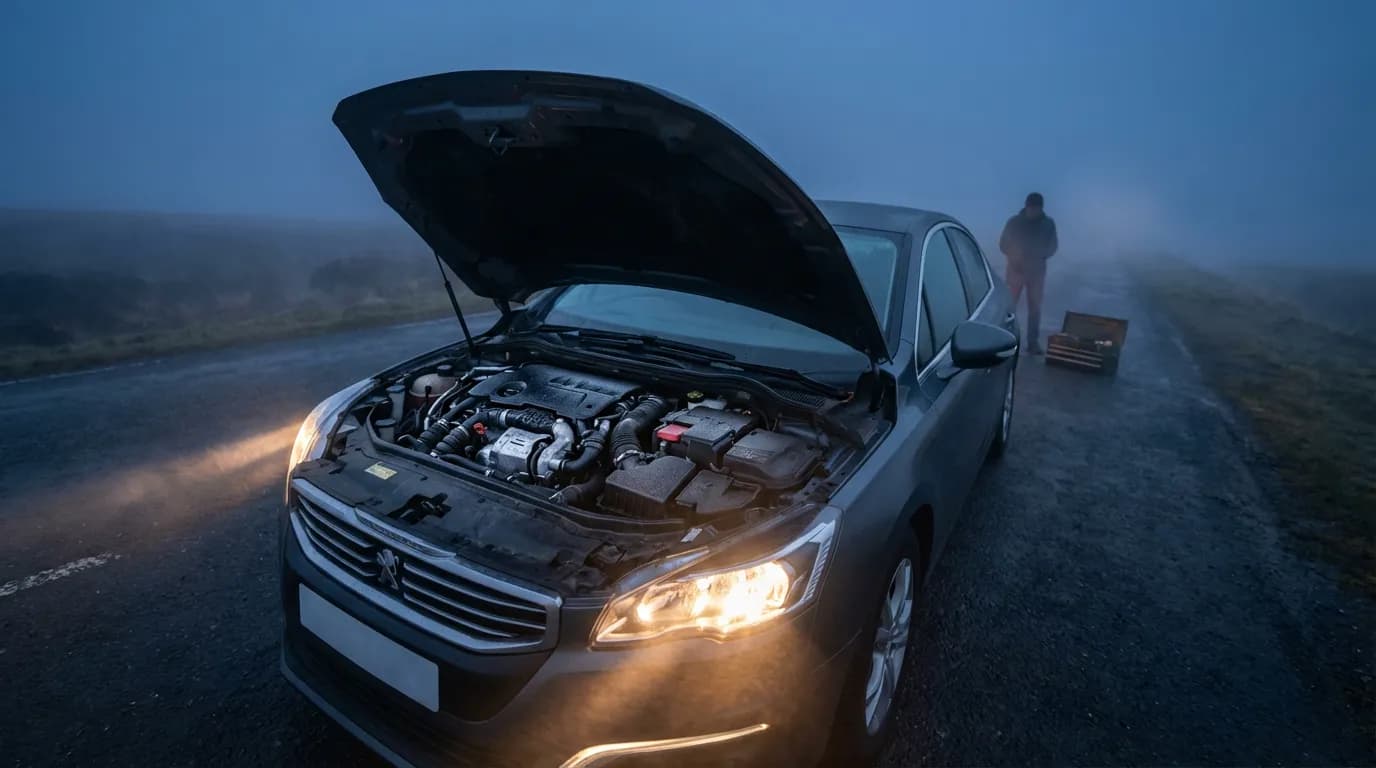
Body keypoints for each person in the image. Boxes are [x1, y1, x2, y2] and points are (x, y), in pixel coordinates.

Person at [999, 192, 1058, 354]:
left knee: (1035, 309)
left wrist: (1041, 256)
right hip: (1015, 271)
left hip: (1036, 273)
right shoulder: (1014, 222)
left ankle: (1032, 342)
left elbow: (1053, 245)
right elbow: (1003, 243)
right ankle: (1004, 340)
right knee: (1009, 308)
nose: (1033, 210)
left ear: (1041, 208)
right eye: (1030, 207)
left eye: (1036, 208)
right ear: (1026, 206)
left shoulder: (1048, 224)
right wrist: (1014, 256)